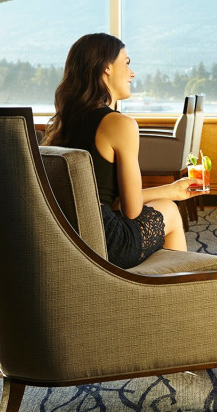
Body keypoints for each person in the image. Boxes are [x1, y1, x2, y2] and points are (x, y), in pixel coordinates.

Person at [42, 33, 206, 268]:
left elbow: (107, 200)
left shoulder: (61, 124)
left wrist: (173, 189)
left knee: (168, 204)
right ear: (106, 68)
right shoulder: (120, 124)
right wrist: (172, 193)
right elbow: (131, 209)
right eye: (127, 63)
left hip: (67, 236)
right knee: (169, 210)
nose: (132, 72)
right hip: (106, 242)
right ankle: (176, 290)